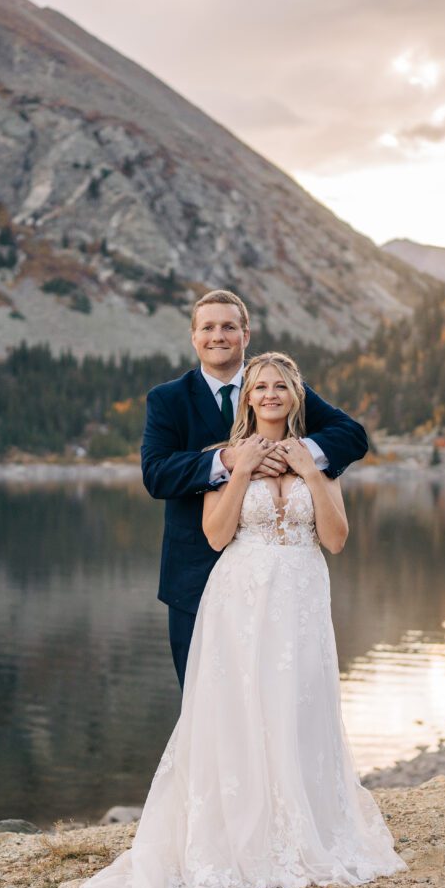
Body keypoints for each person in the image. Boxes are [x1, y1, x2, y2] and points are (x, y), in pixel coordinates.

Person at [0, 351, 404, 888]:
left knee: (299, 707)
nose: (268, 395)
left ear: (295, 395)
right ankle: (242, 835)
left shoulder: (321, 454)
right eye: (258, 387)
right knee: (240, 713)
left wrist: (308, 468)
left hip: (301, 600)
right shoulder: (225, 455)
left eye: (279, 387)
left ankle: (302, 829)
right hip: (238, 600)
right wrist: (239, 470)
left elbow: (337, 539)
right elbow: (214, 535)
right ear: (247, 399)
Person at [138, 289, 368, 689]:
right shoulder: (168, 399)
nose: (218, 336)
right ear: (194, 337)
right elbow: (156, 473)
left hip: (279, 586)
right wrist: (229, 461)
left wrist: (295, 455)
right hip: (193, 576)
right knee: (206, 705)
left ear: (246, 334)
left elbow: (352, 435)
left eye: (229, 326)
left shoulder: (276, 386)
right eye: (207, 327)